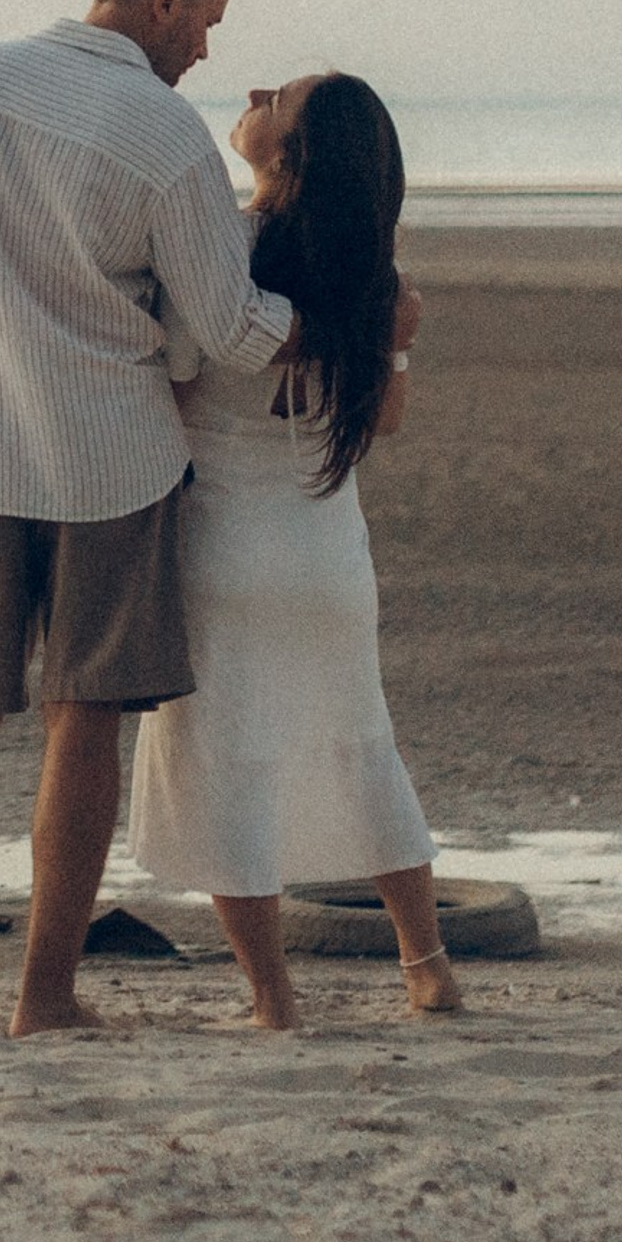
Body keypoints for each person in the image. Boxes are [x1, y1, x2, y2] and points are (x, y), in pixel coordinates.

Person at [0, 0, 291, 1035]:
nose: (203, 52)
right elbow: (233, 332)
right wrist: (339, 319)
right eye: (204, 23)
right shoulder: (163, 137)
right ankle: (44, 995)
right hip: (110, 461)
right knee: (81, 722)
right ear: (161, 3)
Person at [128, 72, 454, 1028]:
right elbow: (384, 420)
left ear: (288, 152)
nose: (257, 89)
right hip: (328, 554)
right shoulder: (381, 285)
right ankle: (427, 964)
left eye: (281, 97)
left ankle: (273, 996)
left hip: (226, 546)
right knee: (364, 749)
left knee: (226, 761)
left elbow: (178, 383)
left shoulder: (223, 251)